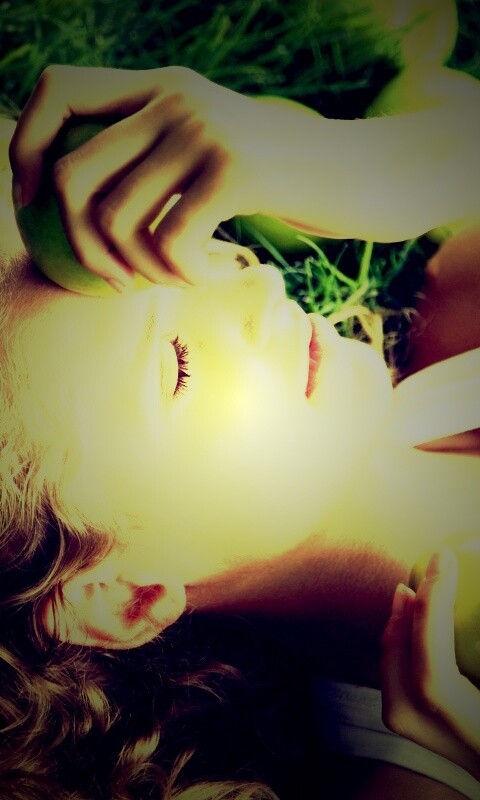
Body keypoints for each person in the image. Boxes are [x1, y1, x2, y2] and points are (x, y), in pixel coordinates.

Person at [1, 63, 479, 797]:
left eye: (175, 252)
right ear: (122, 595)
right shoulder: (429, 768)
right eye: (177, 366)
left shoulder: (464, 309)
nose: (246, 283)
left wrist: (355, 167)